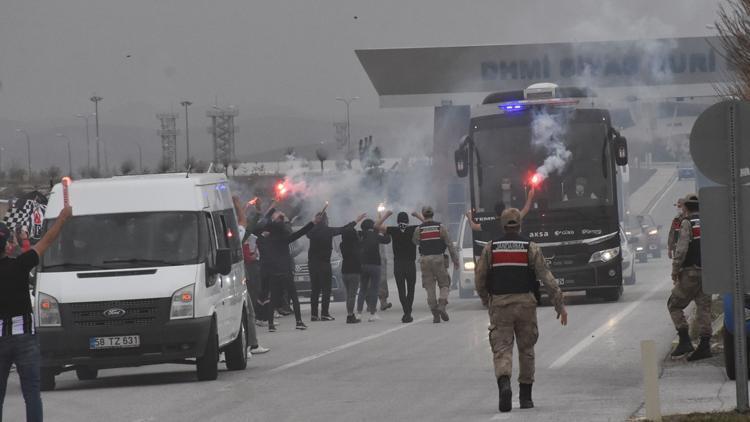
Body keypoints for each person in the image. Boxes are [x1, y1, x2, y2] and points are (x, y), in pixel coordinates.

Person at [475, 208, 568, 413]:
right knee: (526, 350)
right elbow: (547, 278)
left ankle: (504, 384)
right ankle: (525, 397)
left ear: (502, 225)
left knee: (502, 349)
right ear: (519, 224)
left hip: (500, 305)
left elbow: (480, 277)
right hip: (526, 304)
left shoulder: (491, 248)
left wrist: (485, 298)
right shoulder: (530, 247)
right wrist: (559, 305)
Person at [1, 204, 72, 422]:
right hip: (25, 338)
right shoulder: (20, 264)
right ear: (8, 245)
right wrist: (62, 218)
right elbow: (46, 241)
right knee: (31, 394)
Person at [254, 206, 321, 331]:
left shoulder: (265, 241)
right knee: (294, 297)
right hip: (285, 271)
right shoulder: (285, 239)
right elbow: (300, 233)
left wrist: (269, 216)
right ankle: (299, 322)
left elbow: (260, 228)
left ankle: (271, 325)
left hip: (273, 272)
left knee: (272, 298)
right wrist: (312, 222)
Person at [668, 194, 711, 361]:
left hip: (690, 273)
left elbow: (681, 249)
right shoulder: (709, 221)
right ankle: (705, 345)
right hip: (708, 274)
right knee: (704, 309)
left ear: (686, 207)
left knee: (674, 304)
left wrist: (675, 270)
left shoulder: (687, 223)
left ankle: (685, 340)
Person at [306, 211, 365, 321]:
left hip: (312, 264)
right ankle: (324, 313)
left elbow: (307, 233)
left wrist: (313, 223)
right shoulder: (328, 230)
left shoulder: (312, 231)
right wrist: (356, 221)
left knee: (314, 290)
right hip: (324, 263)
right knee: (326, 289)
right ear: (326, 220)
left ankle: (314, 314)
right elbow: (344, 229)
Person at [232, 196, 269, 355]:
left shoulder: (219, 236)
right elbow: (244, 223)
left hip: (226, 280)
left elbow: (245, 224)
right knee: (247, 312)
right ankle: (248, 346)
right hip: (237, 279)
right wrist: (237, 204)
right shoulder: (234, 237)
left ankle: (250, 344)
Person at [412, 206, 459, 323]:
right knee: (444, 284)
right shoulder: (440, 227)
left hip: (425, 260)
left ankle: (435, 315)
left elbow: (415, 241)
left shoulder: (419, 229)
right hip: (439, 259)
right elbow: (449, 244)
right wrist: (455, 260)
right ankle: (442, 304)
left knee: (429, 287)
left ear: (423, 215)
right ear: (433, 214)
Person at [376, 211, 419, 323]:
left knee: (401, 290)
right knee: (411, 289)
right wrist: (418, 215)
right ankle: (408, 312)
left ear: (397, 221)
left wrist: (386, 215)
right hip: (410, 264)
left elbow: (376, 226)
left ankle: (406, 312)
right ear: (408, 221)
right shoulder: (412, 229)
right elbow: (428, 224)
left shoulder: (393, 230)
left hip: (398, 264)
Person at [356, 219, 391, 322]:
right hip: (375, 265)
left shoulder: (360, 235)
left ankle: (358, 313)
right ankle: (373, 313)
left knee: (362, 289)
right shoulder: (375, 235)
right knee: (374, 290)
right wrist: (384, 231)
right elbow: (387, 240)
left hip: (362, 265)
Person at [466, 188, 536, 236]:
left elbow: (473, 226)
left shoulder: (490, 224)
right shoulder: (512, 220)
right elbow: (526, 209)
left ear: (495, 212)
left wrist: (469, 215)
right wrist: (530, 196)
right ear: (504, 210)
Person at [340, 225, 363, 323]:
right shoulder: (357, 244)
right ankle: (350, 315)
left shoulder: (342, 244)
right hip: (354, 270)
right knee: (352, 295)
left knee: (348, 294)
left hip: (345, 270)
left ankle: (350, 313)